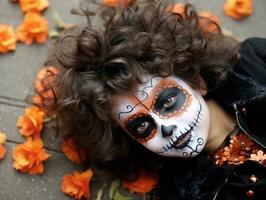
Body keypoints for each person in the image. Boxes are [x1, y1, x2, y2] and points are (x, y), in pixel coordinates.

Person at [35, 0, 266, 199]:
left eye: (167, 101)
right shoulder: (182, 194)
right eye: (142, 126)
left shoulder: (254, 63)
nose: (165, 128)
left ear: (196, 82)